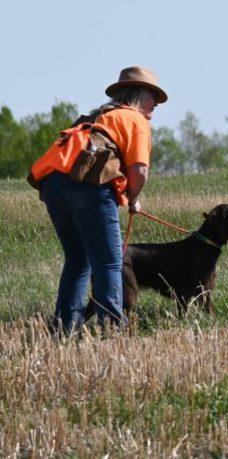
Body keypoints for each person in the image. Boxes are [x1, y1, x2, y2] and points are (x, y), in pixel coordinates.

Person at [29, 66, 167, 334]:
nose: (157, 104)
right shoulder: (135, 119)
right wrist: (132, 197)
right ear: (140, 95)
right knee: (108, 262)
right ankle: (112, 330)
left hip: (53, 187)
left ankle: (64, 329)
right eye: (154, 96)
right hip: (90, 189)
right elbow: (140, 170)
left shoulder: (96, 116)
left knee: (78, 259)